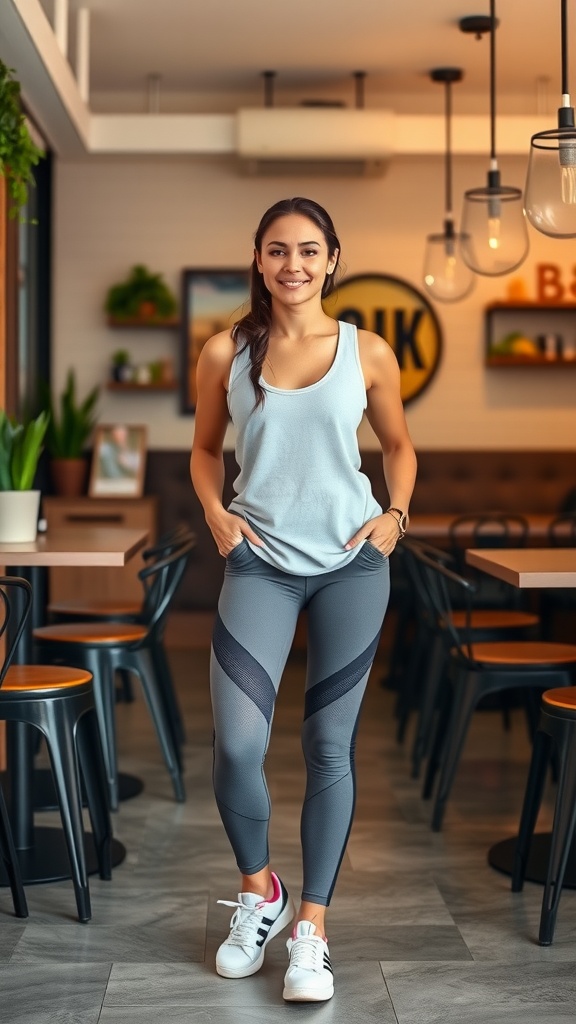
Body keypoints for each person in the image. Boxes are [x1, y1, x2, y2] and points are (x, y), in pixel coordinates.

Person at [190, 197, 417, 1003]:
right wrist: (216, 514)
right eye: (278, 250)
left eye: (309, 251)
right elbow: (203, 450)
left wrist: (394, 515)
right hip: (261, 564)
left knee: (329, 746)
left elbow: (398, 446)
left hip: (353, 564)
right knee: (238, 747)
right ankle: (262, 894)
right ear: (258, 259)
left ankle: (312, 931)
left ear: (331, 260)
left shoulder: (371, 352)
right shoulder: (224, 353)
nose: (294, 264)